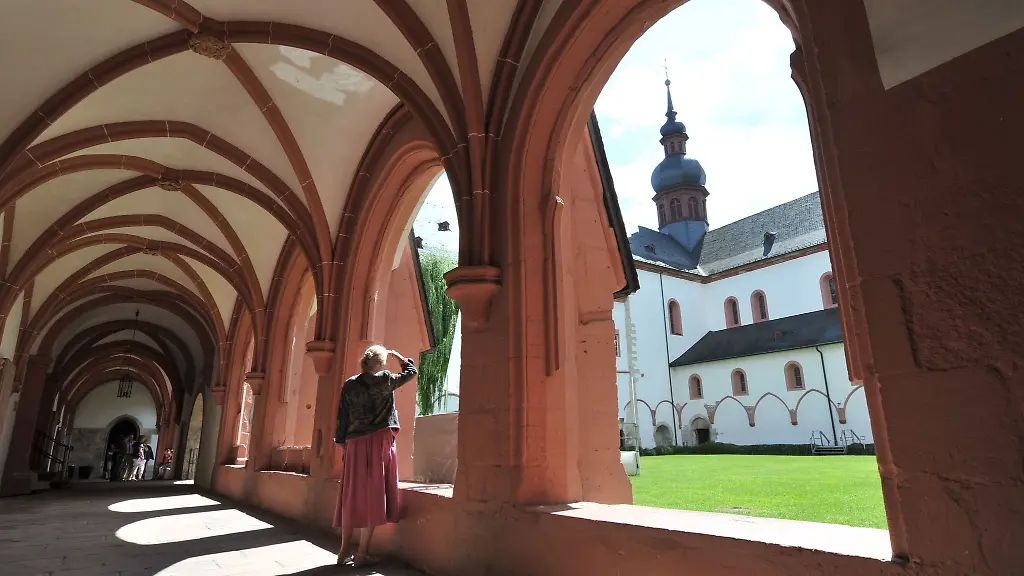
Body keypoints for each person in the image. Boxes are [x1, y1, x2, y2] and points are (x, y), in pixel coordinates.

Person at [334, 345, 417, 567]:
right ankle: (362, 554)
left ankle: (343, 551)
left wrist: (342, 442)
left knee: (351, 495)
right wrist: (398, 356)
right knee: (374, 494)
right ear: (380, 363)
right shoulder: (385, 379)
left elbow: (342, 416)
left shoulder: (350, 384)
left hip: (354, 443)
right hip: (379, 441)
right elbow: (411, 372)